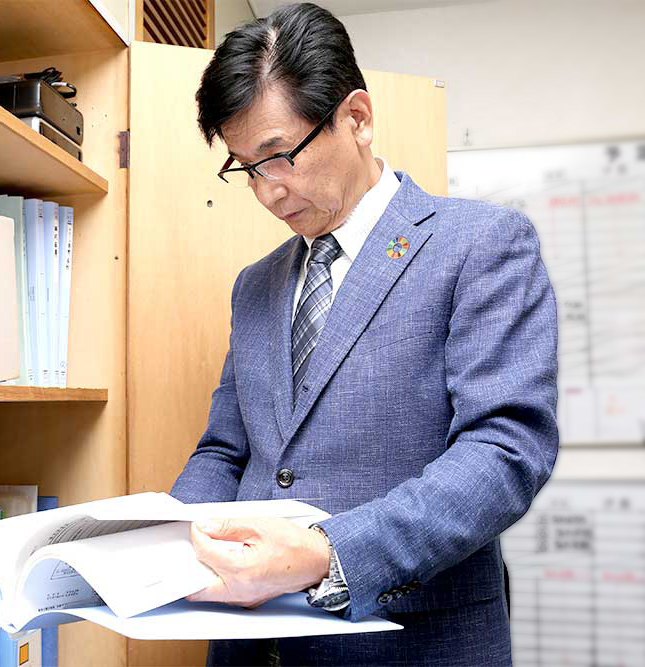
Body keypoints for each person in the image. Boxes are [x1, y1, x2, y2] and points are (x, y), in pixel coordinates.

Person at [170, 3, 559, 665]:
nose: (267, 192)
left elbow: (505, 449)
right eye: (245, 167)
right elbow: (226, 450)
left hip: (411, 644)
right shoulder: (255, 285)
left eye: (279, 157)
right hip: (249, 646)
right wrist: (166, 543)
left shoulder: (481, 245)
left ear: (356, 118)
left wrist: (329, 552)